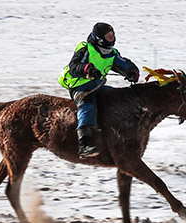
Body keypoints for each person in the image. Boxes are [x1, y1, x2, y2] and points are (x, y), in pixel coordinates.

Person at [58, 22, 140, 158]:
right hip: (80, 86)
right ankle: (85, 143)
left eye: (113, 36)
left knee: (117, 97)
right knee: (88, 105)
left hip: (97, 85)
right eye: (109, 37)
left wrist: (131, 71)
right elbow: (74, 66)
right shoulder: (86, 48)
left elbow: (122, 63)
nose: (112, 39)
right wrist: (88, 70)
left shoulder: (111, 53)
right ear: (99, 38)